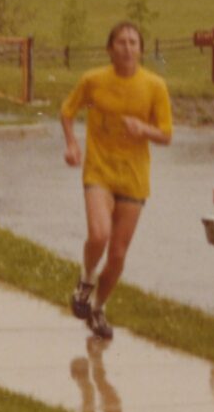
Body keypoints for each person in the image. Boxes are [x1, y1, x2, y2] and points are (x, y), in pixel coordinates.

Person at [61, 20, 172, 339]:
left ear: (141, 50)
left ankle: (96, 309)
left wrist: (143, 129)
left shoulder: (154, 86)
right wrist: (71, 143)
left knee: (119, 254)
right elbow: (67, 111)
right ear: (110, 49)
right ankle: (85, 281)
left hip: (134, 179)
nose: (127, 47)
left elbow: (166, 134)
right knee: (99, 235)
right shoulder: (93, 80)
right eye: (121, 42)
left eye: (133, 42)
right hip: (99, 171)